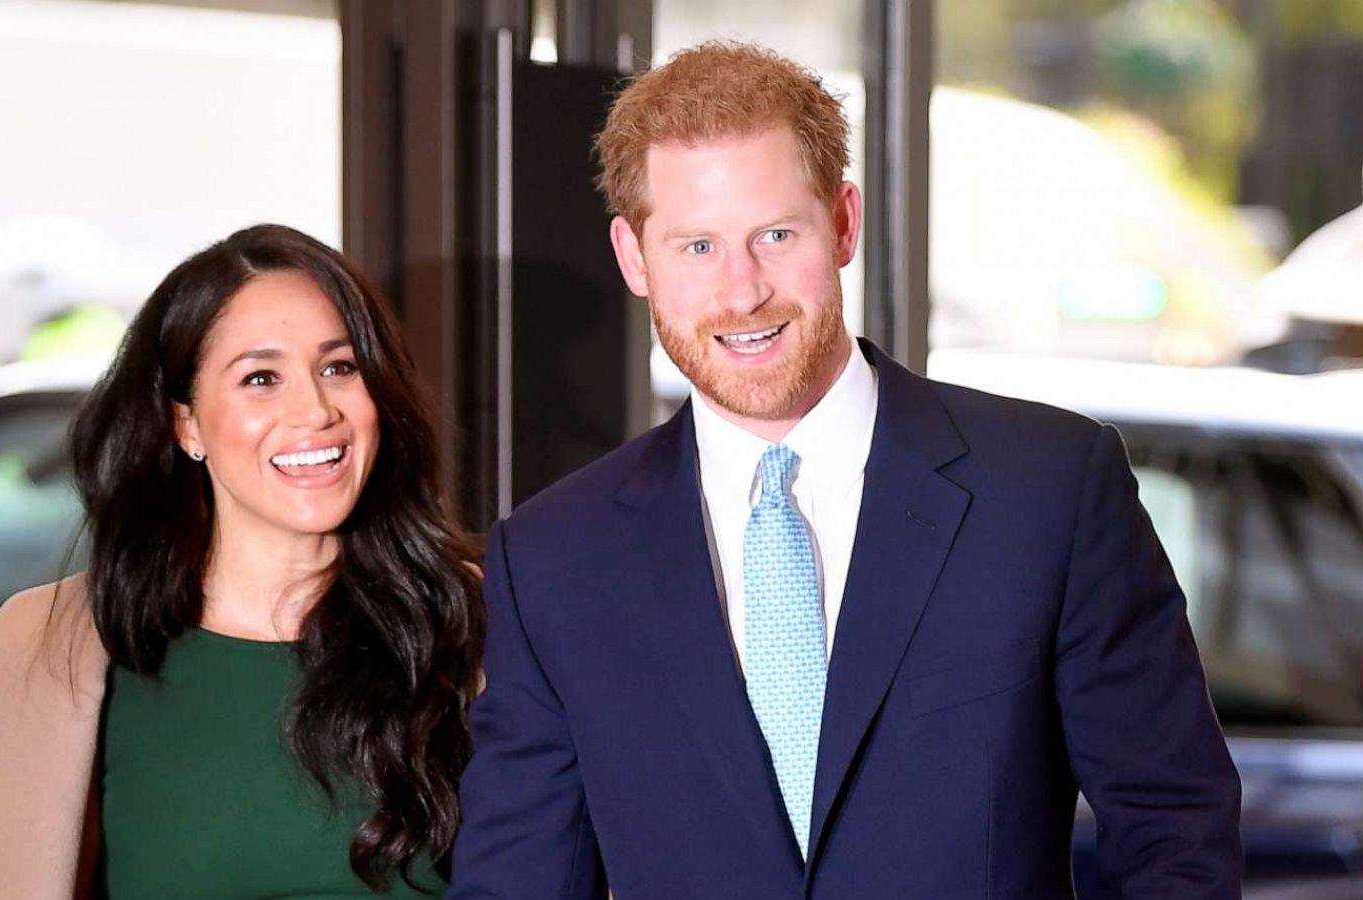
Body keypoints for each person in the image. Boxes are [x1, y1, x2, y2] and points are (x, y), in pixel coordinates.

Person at [449, 41, 1241, 899]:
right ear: (635, 258)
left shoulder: (1047, 492)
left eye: (775, 235)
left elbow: (1174, 832)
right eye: (696, 247)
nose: (742, 290)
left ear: (844, 223)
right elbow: (517, 882)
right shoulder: (552, 560)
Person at [0, 224, 485, 899]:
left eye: (339, 367)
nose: (314, 410)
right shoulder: (63, 645)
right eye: (260, 378)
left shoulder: (475, 623)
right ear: (185, 423)